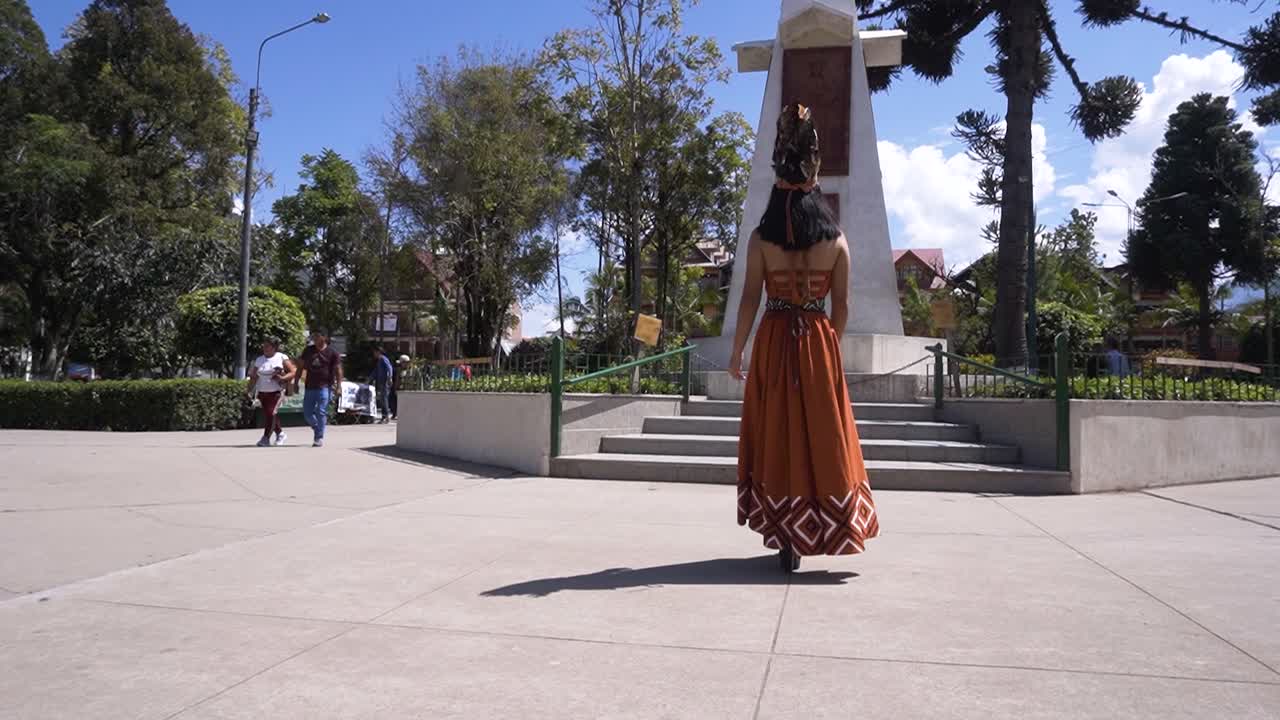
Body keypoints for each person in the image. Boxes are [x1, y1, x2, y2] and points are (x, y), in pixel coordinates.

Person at [729, 104, 880, 573]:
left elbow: (750, 298)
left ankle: (784, 531)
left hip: (774, 338)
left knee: (777, 430)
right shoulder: (836, 241)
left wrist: (737, 351)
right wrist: (828, 346)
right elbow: (842, 307)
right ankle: (832, 523)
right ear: (815, 183)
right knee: (825, 433)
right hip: (817, 340)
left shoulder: (761, 239)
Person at [246, 338, 295, 447]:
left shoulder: (281, 357)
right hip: (262, 392)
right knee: (270, 415)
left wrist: (282, 378)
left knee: (271, 413)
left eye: (267, 346)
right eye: (264, 346)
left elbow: (293, 372)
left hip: (276, 392)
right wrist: (248, 390)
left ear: (274, 348)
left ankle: (265, 438)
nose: (265, 348)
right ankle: (280, 434)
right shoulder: (259, 360)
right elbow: (254, 377)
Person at [299, 332, 343, 447]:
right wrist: (296, 382)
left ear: (324, 337)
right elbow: (300, 366)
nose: (315, 339)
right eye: (314, 337)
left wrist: (339, 386)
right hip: (310, 386)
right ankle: (317, 427)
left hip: (325, 387)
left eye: (318, 336)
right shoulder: (308, 350)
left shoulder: (333, 353)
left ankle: (318, 437)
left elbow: (338, 370)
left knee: (321, 411)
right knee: (307, 413)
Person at [369, 346, 393, 424]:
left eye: (375, 352)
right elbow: (376, 371)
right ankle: (384, 417)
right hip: (381, 382)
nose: (374, 354)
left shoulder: (383, 359)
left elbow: (389, 368)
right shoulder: (379, 361)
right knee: (382, 400)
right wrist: (370, 379)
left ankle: (386, 417)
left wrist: (390, 378)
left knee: (384, 399)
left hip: (385, 382)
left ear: (378, 352)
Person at [391, 354, 411, 420]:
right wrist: (395, 388)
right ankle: (395, 414)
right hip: (399, 389)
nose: (399, 365)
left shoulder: (410, 371)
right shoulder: (399, 370)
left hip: (405, 390)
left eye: (401, 363)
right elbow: (397, 381)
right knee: (395, 402)